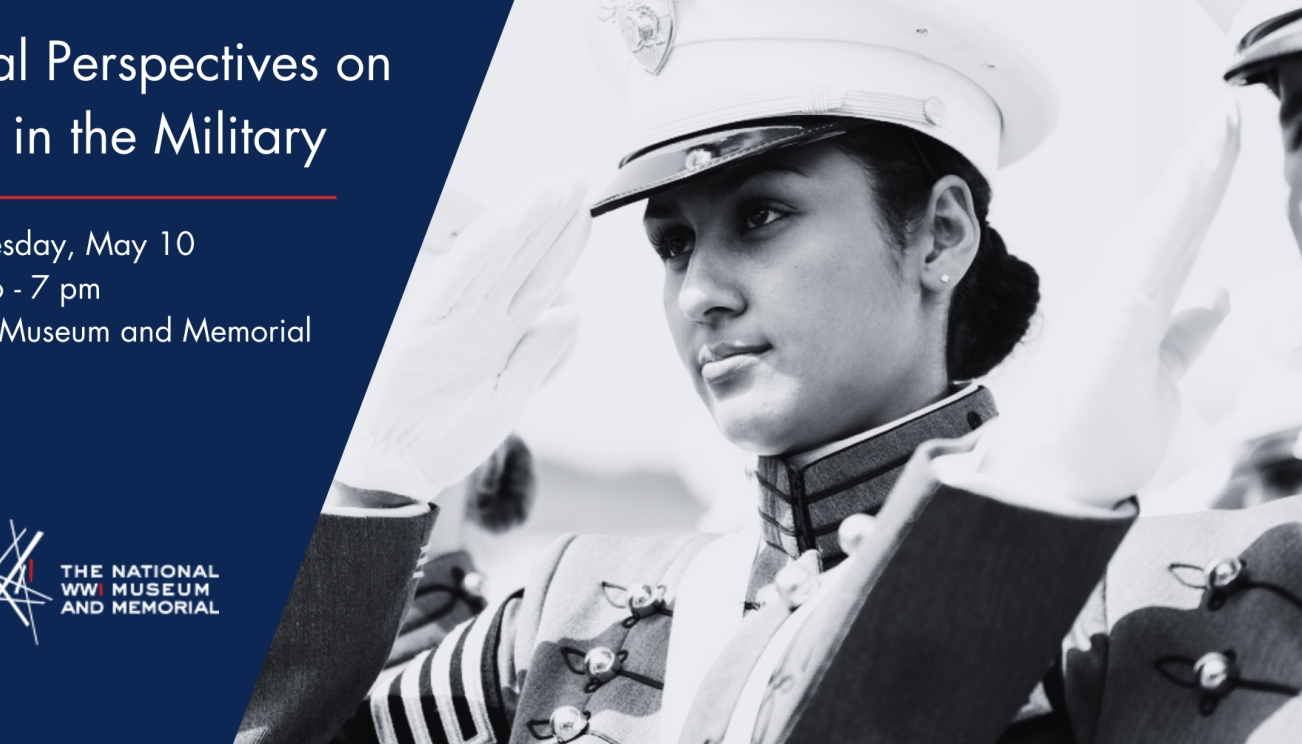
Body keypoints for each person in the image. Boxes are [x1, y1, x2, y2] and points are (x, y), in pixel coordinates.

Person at [236, 1, 1302, 743]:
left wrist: (1006, 530)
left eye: (762, 217)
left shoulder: (1158, 597)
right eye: (672, 246)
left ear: (939, 233)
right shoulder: (575, 612)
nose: (702, 290)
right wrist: (364, 500)